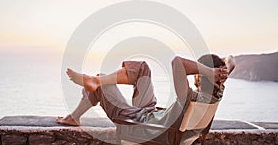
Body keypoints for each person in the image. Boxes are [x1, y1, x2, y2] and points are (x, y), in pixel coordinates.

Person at [56, 54, 235, 130]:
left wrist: (209, 71)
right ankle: (95, 83)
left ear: (201, 75)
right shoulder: (215, 95)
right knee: (143, 68)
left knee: (103, 80)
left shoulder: (189, 98)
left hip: (140, 123)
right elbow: (232, 61)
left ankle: (91, 89)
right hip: (151, 116)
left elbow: (177, 62)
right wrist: (219, 72)